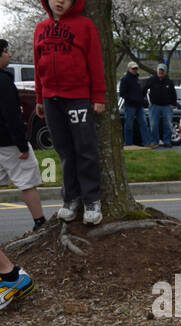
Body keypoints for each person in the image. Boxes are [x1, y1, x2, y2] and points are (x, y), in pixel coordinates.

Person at [32, 0, 104, 225]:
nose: (60, 1)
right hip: (50, 99)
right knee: (64, 151)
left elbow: (95, 62)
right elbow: (37, 63)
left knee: (85, 149)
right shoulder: (40, 28)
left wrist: (98, 96)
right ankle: (70, 199)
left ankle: (92, 200)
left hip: (78, 97)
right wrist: (39, 97)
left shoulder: (85, 26)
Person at [0, 38, 45, 230]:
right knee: (27, 181)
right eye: (6, 51)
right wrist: (22, 145)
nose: (9, 54)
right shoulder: (3, 80)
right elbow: (11, 114)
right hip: (8, 142)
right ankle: (40, 222)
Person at [143, 63, 178, 148]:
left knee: (168, 125)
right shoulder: (151, 80)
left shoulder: (169, 82)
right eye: (159, 70)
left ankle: (167, 141)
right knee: (154, 124)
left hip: (167, 106)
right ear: (157, 70)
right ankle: (155, 142)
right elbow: (143, 90)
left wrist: (173, 104)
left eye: (162, 70)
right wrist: (144, 102)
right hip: (154, 106)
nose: (160, 72)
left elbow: (173, 94)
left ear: (165, 72)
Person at [118, 61, 149, 146]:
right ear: (129, 69)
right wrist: (132, 100)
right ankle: (128, 144)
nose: (135, 70)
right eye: (133, 68)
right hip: (130, 106)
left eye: (136, 68)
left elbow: (140, 92)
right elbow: (122, 93)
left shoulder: (137, 79)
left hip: (139, 106)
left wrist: (142, 99)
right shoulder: (125, 79)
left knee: (143, 124)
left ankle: (146, 142)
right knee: (129, 125)